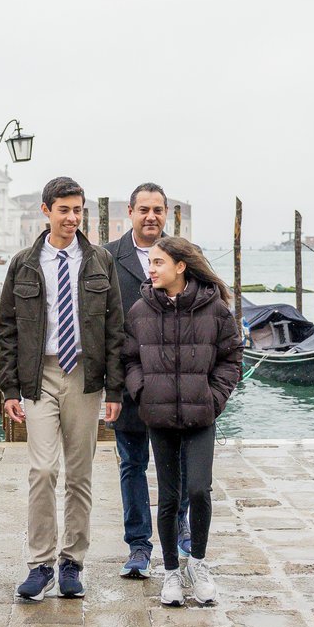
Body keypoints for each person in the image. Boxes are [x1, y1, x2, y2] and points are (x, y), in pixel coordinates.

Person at [0, 176, 124, 601]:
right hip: (40, 376)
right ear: (46, 211)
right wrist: (9, 388)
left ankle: (72, 563)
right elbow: (6, 329)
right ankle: (39, 563)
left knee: (80, 474)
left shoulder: (100, 260)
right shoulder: (24, 264)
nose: (71, 218)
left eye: (77, 210)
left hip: (85, 377)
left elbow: (116, 329)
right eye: (64, 210)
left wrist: (115, 391)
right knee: (44, 470)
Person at [120, 236, 242, 608]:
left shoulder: (215, 310)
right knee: (169, 498)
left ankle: (198, 565)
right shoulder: (140, 310)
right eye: (150, 263)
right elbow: (129, 359)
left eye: (158, 262)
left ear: (180, 266)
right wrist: (143, 392)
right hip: (159, 417)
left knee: (199, 490)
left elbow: (231, 358)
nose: (151, 269)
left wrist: (214, 397)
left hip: (201, 416)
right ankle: (172, 571)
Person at [105, 183, 190, 578]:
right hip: (129, 379)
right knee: (132, 464)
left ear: (166, 213)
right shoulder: (108, 257)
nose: (151, 216)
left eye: (158, 209)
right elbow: (101, 322)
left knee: (177, 463)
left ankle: (180, 528)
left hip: (175, 382)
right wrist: (110, 384)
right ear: (130, 212)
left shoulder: (183, 254)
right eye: (144, 209)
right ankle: (138, 545)